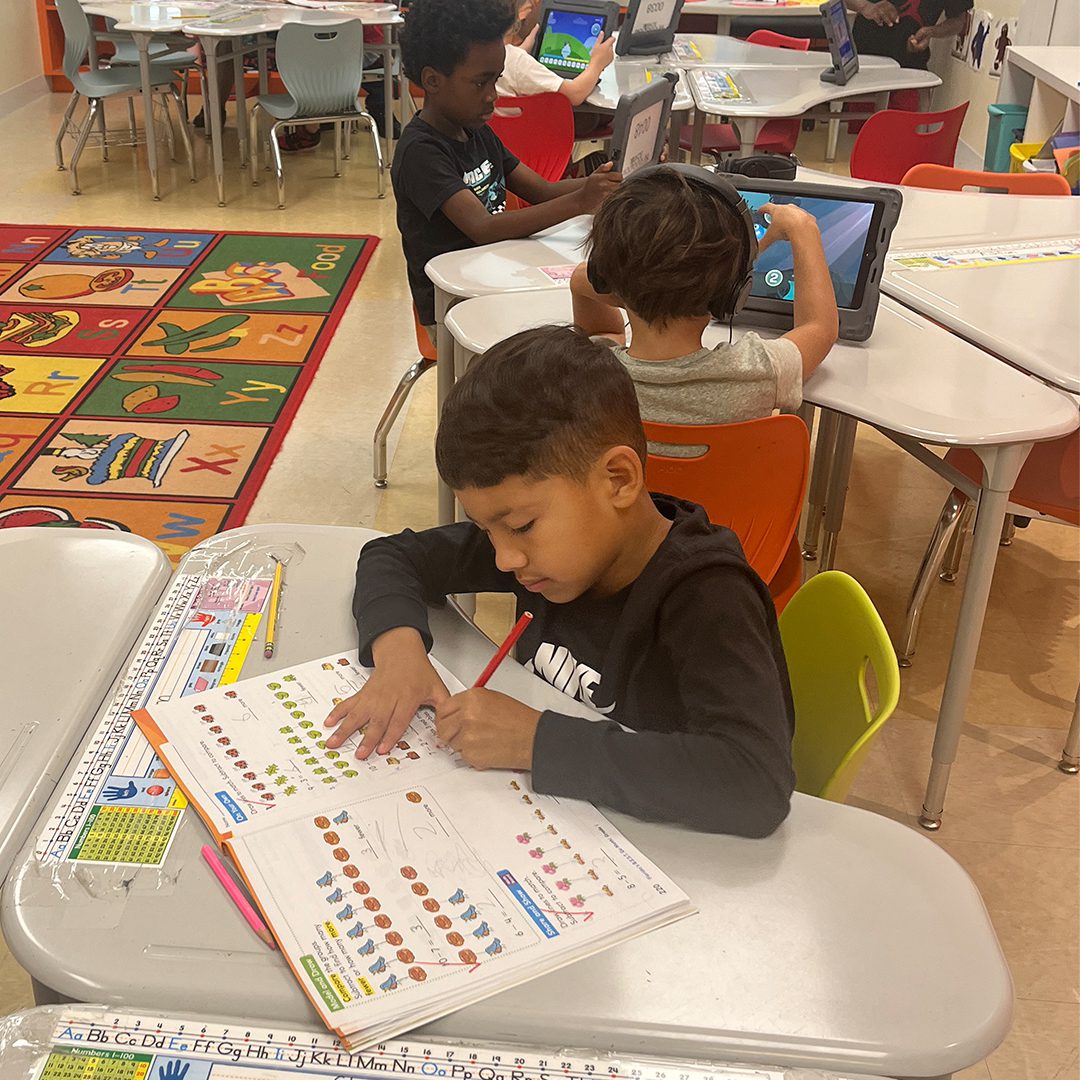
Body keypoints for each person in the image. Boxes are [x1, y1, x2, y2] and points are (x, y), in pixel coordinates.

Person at [326, 326, 797, 837]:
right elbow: (390, 555)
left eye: (521, 525)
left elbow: (755, 781)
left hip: (677, 865)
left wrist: (535, 742)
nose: (504, 557)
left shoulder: (708, 595)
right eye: (488, 530)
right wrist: (400, 656)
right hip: (554, 831)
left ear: (618, 480)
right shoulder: (549, 553)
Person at [391, 0, 621, 329]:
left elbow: (542, 190)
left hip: (498, 277)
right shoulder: (420, 151)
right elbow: (483, 228)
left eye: (496, 80)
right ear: (432, 80)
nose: (492, 95)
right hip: (453, 307)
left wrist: (601, 186)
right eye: (480, 83)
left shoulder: (476, 132)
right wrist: (581, 201)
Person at [569, 164, 838, 444]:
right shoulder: (755, 373)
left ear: (602, 278)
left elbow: (588, 300)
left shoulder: (591, 376)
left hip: (634, 488)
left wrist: (621, 281)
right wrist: (804, 229)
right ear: (734, 293)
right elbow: (819, 327)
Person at [497, 0, 615, 109]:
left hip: (496, 130)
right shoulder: (516, 61)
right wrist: (597, 64)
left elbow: (512, 65)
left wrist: (522, 51)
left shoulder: (487, 56)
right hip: (531, 129)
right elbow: (575, 94)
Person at [844, 0, 974, 69]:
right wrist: (866, 6)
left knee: (905, 119)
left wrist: (931, 32)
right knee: (864, 119)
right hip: (865, 63)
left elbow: (959, 20)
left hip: (911, 69)